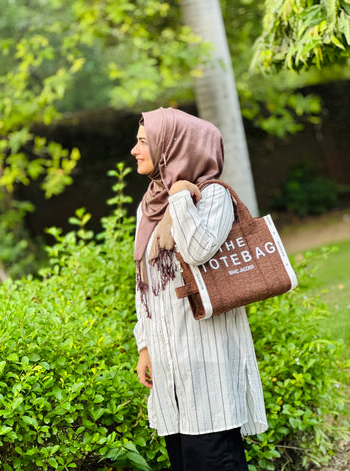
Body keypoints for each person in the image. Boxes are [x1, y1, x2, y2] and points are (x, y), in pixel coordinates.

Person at [131, 107, 268, 471]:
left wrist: (179, 198)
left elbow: (197, 250)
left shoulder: (212, 197)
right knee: (185, 461)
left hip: (208, 361)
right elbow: (144, 286)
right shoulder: (150, 206)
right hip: (169, 363)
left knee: (215, 458)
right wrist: (144, 345)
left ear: (173, 146)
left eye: (143, 141)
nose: (135, 149)